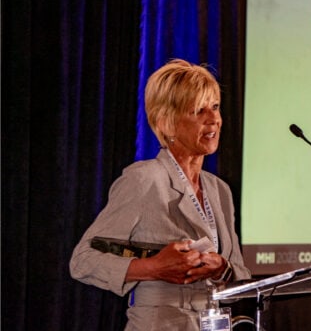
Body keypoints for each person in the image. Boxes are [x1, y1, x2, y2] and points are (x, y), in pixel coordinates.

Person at [70, 59, 251, 330]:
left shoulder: (219, 190)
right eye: (198, 110)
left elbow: (240, 273)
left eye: (214, 107)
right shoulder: (144, 179)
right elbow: (83, 260)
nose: (213, 119)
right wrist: (155, 267)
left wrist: (221, 267)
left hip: (212, 320)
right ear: (167, 123)